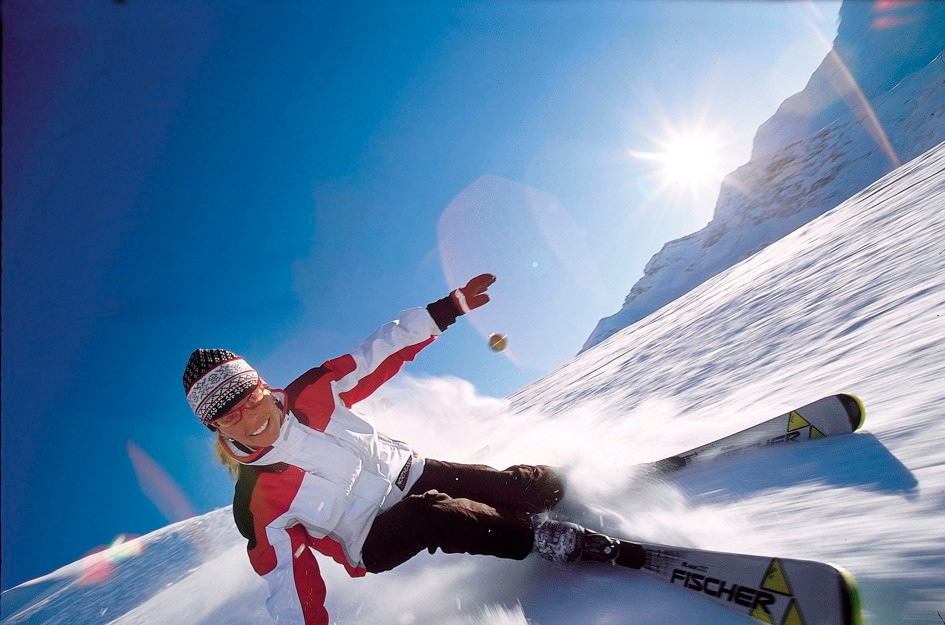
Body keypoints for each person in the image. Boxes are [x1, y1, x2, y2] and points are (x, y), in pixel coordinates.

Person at [182, 274, 616, 625]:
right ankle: (541, 538)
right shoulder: (260, 502)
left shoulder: (313, 393)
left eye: (248, 398)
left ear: (260, 385)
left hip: (409, 471)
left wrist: (445, 311)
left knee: (516, 486)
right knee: (436, 514)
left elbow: (376, 354)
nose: (248, 417)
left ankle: (563, 489)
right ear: (215, 426)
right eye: (228, 416)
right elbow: (290, 583)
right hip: (371, 536)